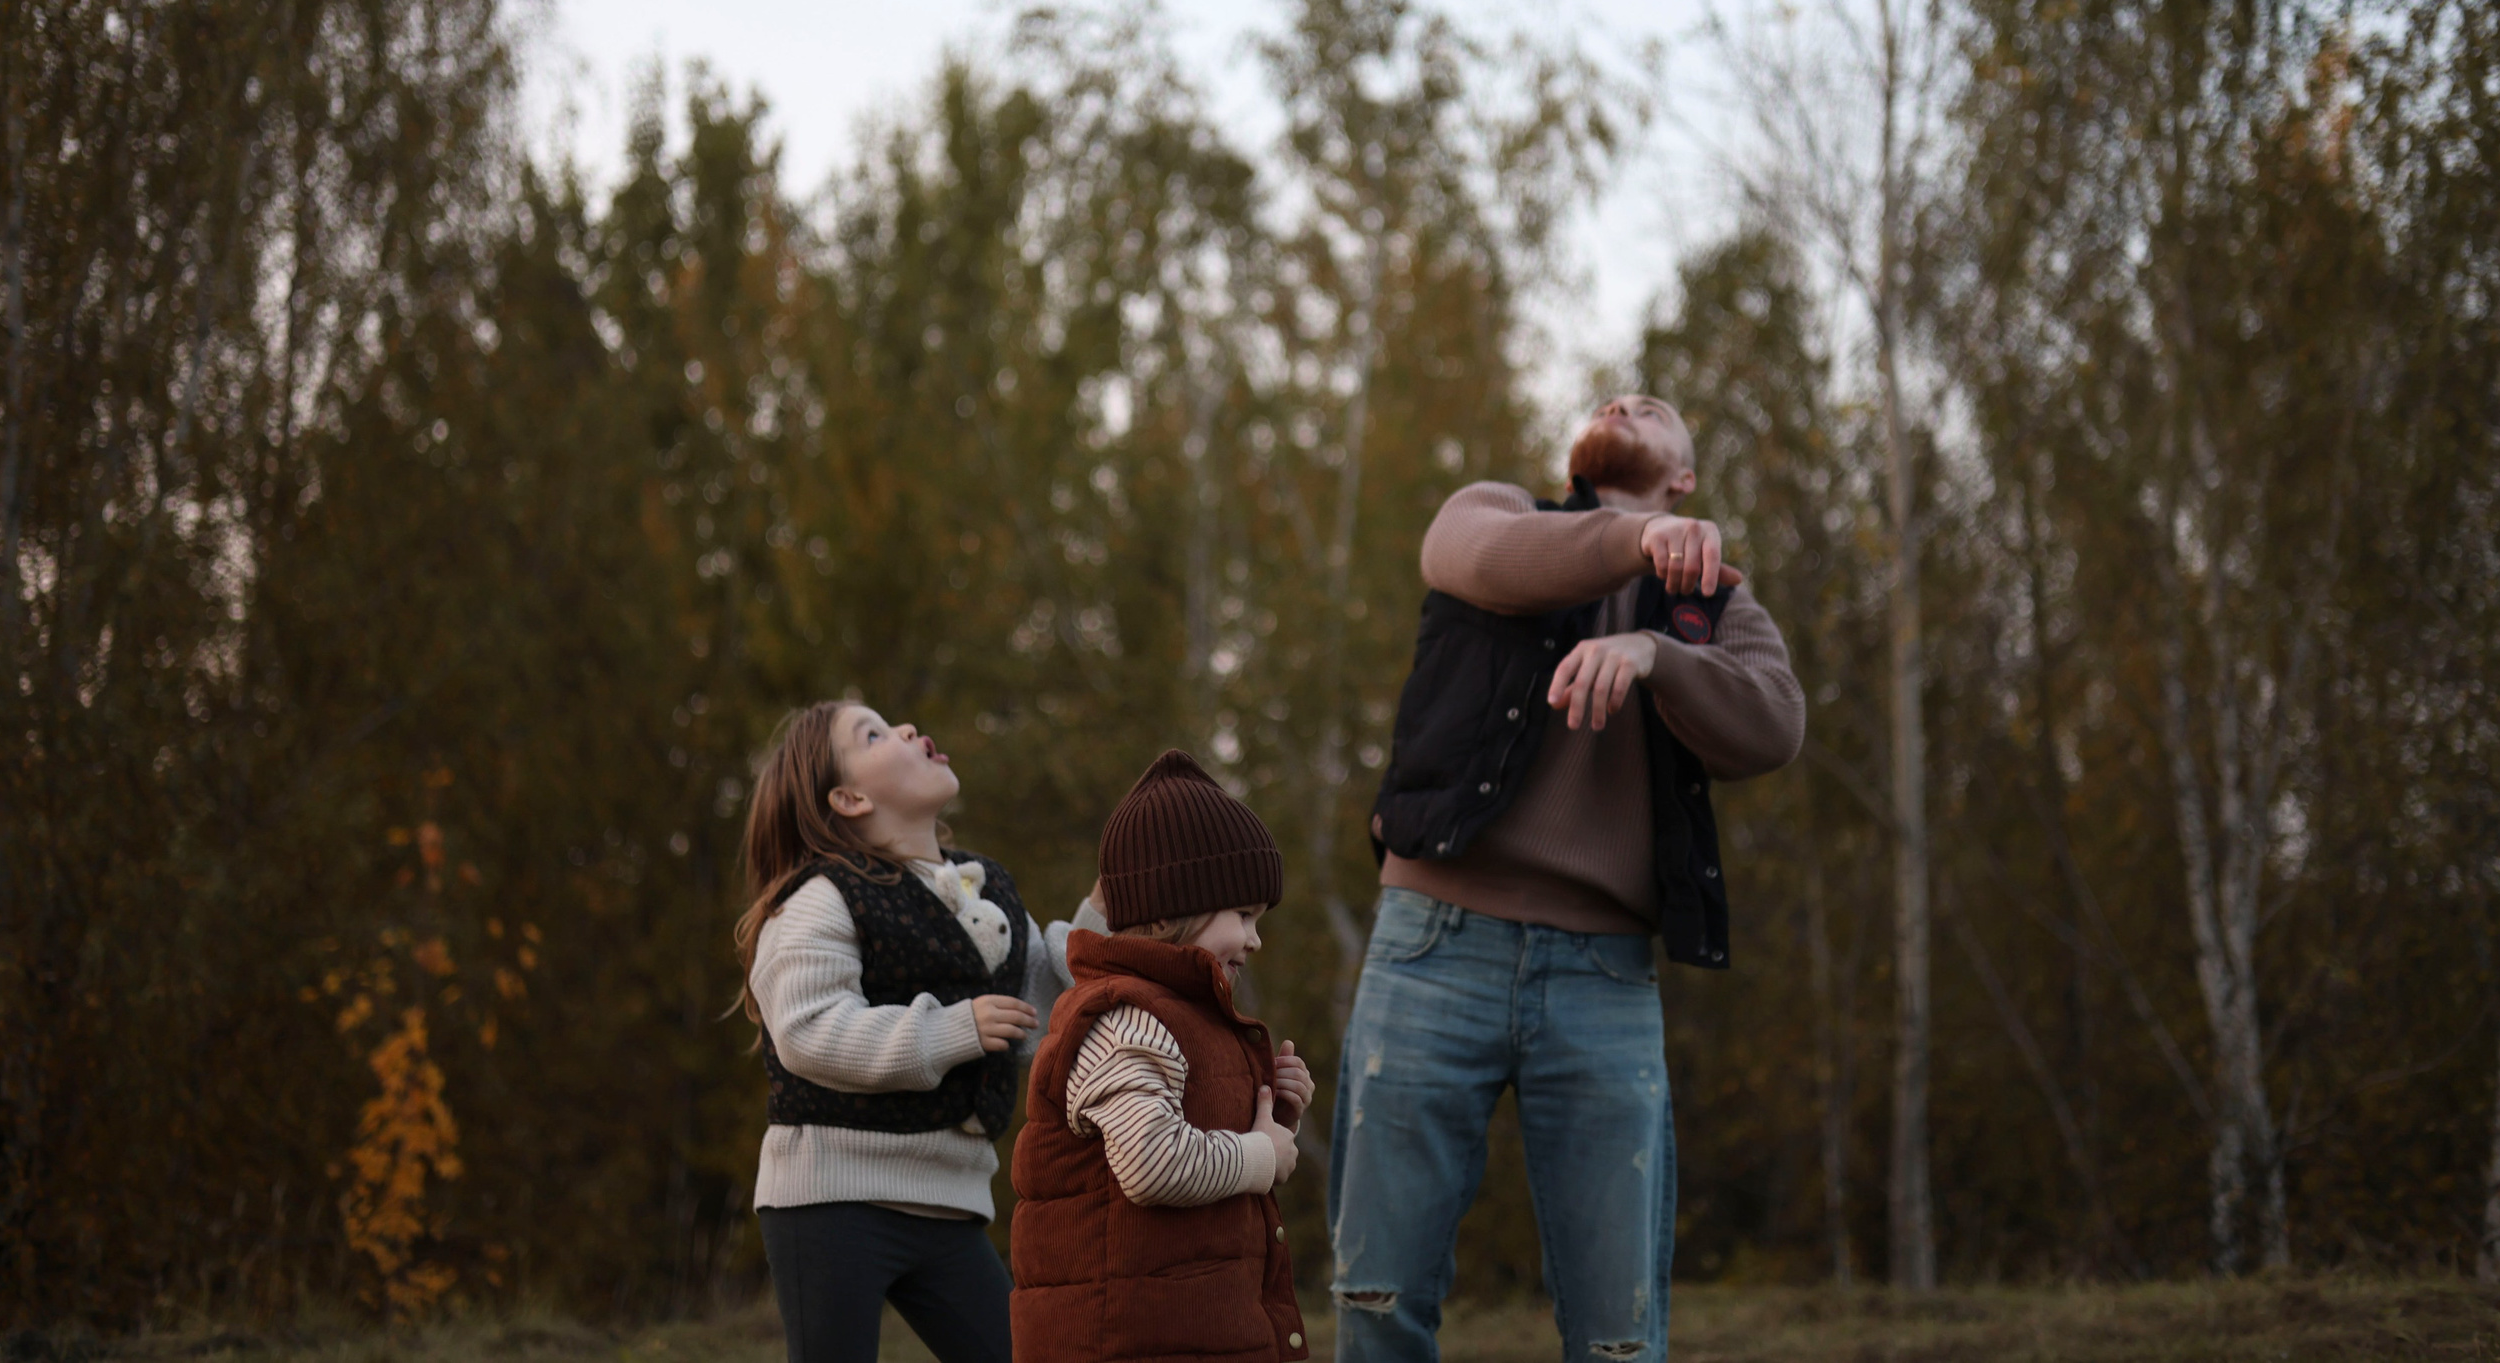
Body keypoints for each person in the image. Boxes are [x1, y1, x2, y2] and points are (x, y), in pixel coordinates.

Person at [1328, 394, 1806, 1363]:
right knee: (1377, 1299)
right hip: (1432, 946)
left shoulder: (1715, 603)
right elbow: (1476, 558)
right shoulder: (1499, 513)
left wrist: (1655, 654)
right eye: (1613, 400)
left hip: (1605, 977)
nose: (1625, 402)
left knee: (1618, 1338)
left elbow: (1774, 723)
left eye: (1654, 408)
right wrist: (1636, 542)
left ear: (1684, 479)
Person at [734, 700, 1106, 1363]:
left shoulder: (983, 892)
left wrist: (1104, 913)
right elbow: (809, 1030)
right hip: (832, 1199)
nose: (906, 729)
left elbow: (1036, 1010)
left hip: (948, 1203)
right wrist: (951, 1029)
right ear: (848, 797)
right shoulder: (820, 898)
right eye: (873, 734)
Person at [1010, 750, 1319, 1363]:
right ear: (1166, 912)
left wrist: (1274, 1117)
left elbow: (1202, 1147)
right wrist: (1260, 1155)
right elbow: (1152, 1163)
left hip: (1188, 1324)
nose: (1255, 939)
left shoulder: (1184, 1015)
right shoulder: (1124, 1018)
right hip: (1121, 1338)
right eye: (1243, 915)